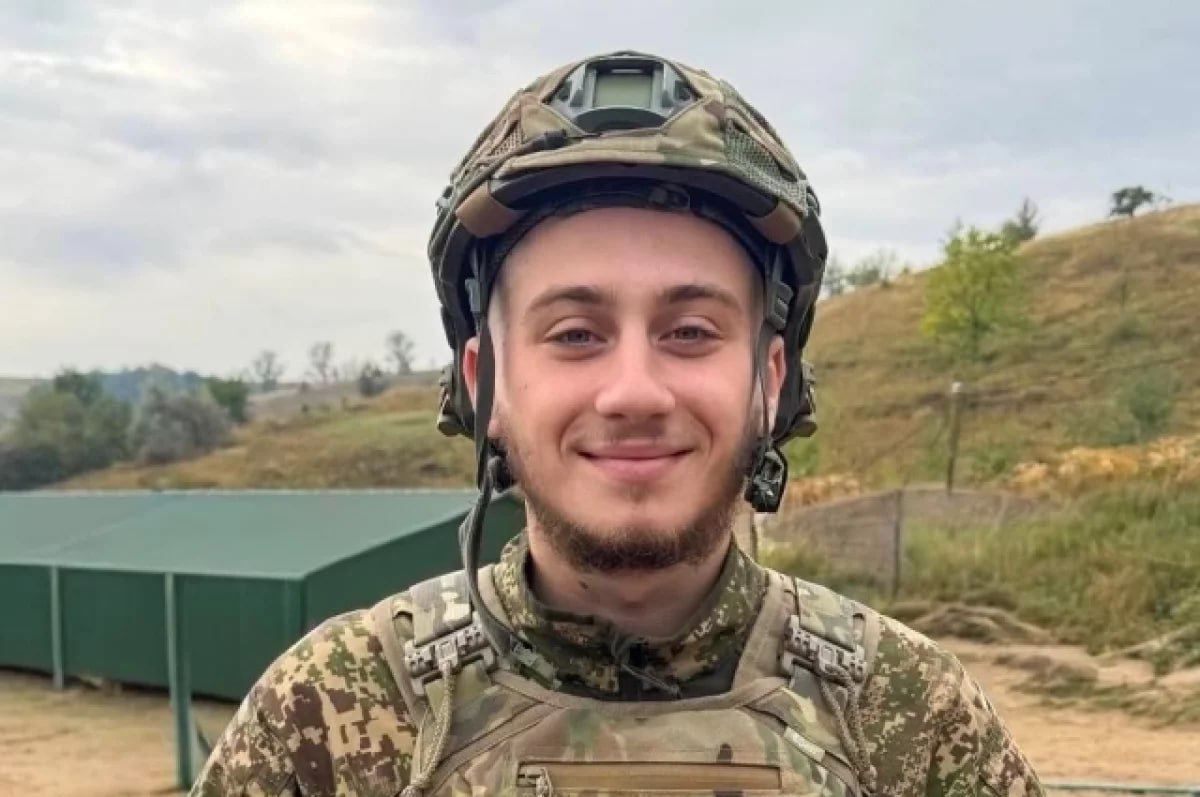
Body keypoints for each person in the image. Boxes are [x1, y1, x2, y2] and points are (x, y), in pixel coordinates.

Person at [191, 50, 1043, 797]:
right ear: (486, 386)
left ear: (770, 380)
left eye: (691, 331)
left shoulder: (910, 715)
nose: (634, 391)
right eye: (575, 334)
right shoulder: (332, 712)